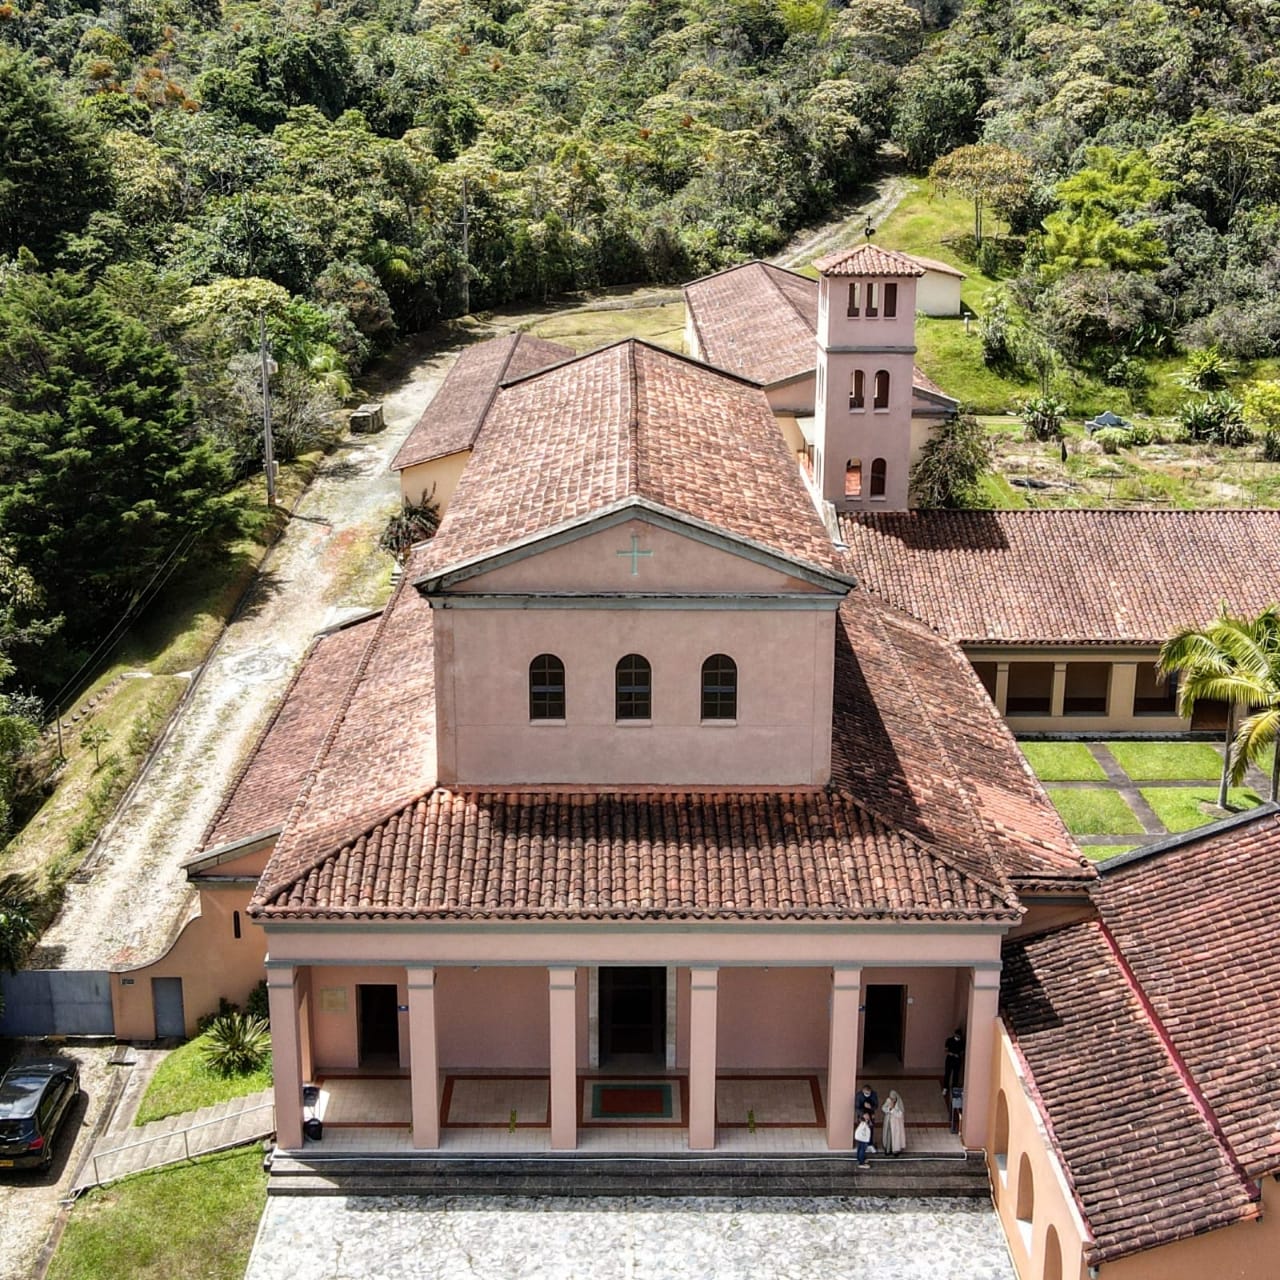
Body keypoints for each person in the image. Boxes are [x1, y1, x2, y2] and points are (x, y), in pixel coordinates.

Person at [882, 1090, 906, 1156]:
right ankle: (888, 1150)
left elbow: (900, 1114)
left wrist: (892, 1109)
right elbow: (883, 1108)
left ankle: (895, 1151)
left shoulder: (899, 1104)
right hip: (888, 1122)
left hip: (896, 1124)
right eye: (891, 1098)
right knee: (888, 1136)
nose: (892, 1100)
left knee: (896, 1137)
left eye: (893, 1098)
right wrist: (888, 1109)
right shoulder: (888, 1100)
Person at [943, 1027, 965, 1095]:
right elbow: (946, 1049)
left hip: (957, 1060)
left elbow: (962, 1052)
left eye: (959, 1036)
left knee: (956, 1075)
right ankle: (945, 1088)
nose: (957, 1037)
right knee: (947, 1074)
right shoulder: (949, 1040)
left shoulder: (961, 1042)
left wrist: (958, 1055)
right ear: (954, 1034)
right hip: (950, 1059)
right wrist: (951, 1053)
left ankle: (954, 1089)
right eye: (957, 1036)